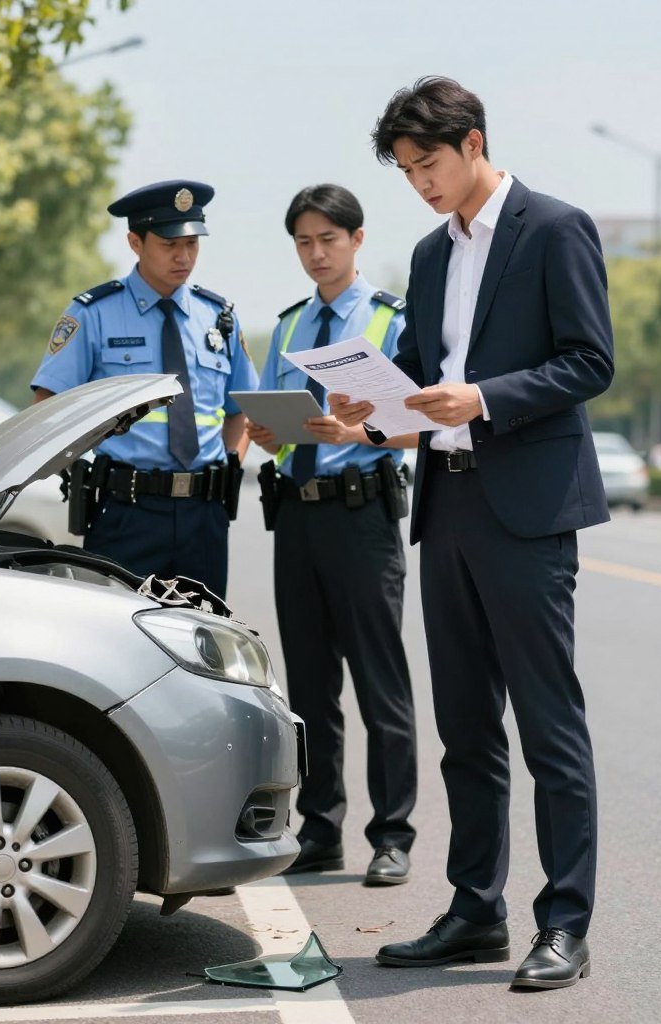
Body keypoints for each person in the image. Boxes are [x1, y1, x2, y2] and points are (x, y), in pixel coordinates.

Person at [330, 78, 614, 989]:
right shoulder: (426, 252)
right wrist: (363, 418)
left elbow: (589, 360)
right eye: (407, 172)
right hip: (445, 504)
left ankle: (564, 923)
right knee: (464, 729)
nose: (420, 184)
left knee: (548, 726)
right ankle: (475, 910)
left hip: (527, 510)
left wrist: (486, 398)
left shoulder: (554, 227)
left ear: (474, 142)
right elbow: (417, 375)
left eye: (429, 164)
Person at [245, 184, 419, 886]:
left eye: (329, 240)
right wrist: (266, 434)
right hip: (299, 514)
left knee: (381, 684)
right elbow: (269, 426)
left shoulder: (392, 322)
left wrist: (357, 430)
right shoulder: (288, 326)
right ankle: (321, 830)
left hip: (363, 514)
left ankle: (393, 835)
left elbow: (422, 421)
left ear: (358, 239)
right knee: (311, 687)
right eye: (304, 242)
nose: (317, 254)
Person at [30, 179, 257, 598]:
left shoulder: (219, 317)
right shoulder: (93, 314)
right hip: (125, 510)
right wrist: (80, 474)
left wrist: (228, 466)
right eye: (170, 243)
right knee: (116, 640)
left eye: (192, 243)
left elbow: (241, 408)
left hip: (203, 514)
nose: (183, 255)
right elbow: (48, 407)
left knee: (203, 643)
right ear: (135, 241)